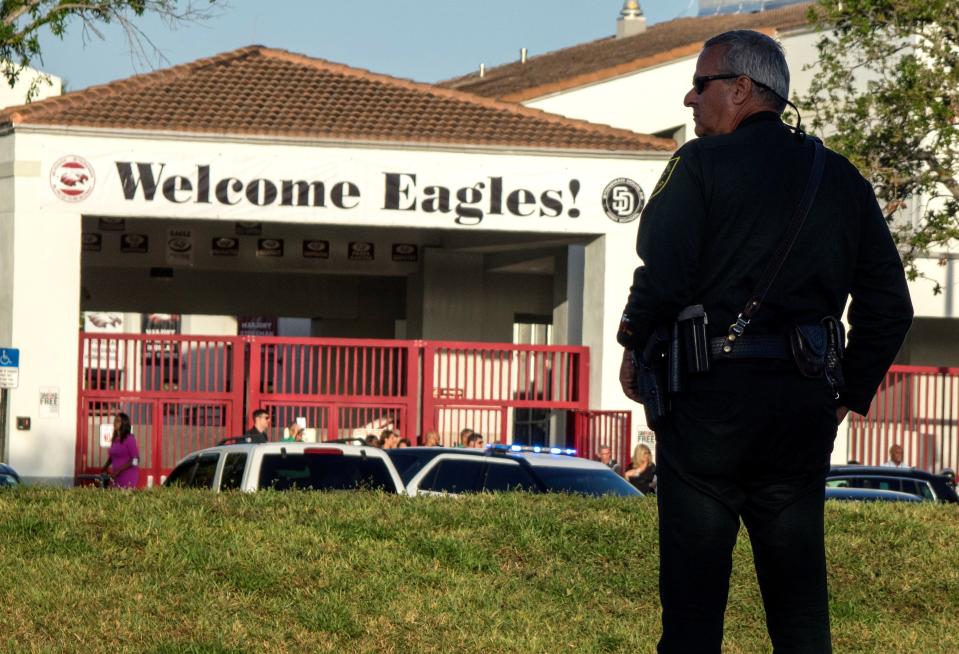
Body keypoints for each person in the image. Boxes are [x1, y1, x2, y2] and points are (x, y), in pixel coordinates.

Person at [617, 30, 913, 653]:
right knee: (800, 609)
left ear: (742, 90)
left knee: (694, 615)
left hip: (706, 407)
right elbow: (891, 306)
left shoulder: (696, 166)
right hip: (800, 407)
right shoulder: (841, 179)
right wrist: (847, 394)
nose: (689, 100)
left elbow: (662, 276)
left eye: (700, 85)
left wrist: (631, 341)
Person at [102, 412, 140, 489]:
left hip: (128, 475)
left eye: (118, 421)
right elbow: (112, 456)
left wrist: (119, 470)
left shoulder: (129, 439)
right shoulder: (115, 439)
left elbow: (136, 459)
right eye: (115, 420)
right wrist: (105, 467)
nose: (115, 423)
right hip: (115, 475)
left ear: (124, 424)